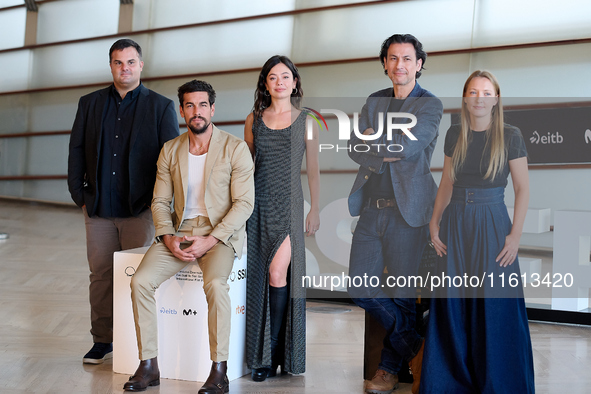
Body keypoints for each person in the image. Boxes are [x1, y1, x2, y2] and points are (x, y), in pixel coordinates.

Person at [123, 80, 254, 393]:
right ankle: (149, 364)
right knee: (140, 281)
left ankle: (219, 369)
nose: (197, 111)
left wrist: (211, 239)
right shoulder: (171, 149)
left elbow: (244, 203)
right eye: (190, 105)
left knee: (215, 284)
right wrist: (167, 236)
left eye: (203, 105)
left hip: (221, 234)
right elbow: (159, 201)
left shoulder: (235, 148)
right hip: (179, 233)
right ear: (181, 110)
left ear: (212, 109)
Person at [420, 70, 535, 393]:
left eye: (486, 92)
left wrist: (515, 236)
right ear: (465, 98)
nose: (479, 98)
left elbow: (523, 189)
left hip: (492, 222)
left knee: (494, 304)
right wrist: (434, 220)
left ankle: (499, 382)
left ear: (496, 98)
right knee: (453, 302)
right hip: (455, 222)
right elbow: (446, 182)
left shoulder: (510, 135)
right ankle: (450, 382)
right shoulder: (454, 134)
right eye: (473, 92)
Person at [67, 38, 179, 364]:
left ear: (141, 65)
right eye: (118, 62)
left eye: (130, 62)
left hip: (140, 210)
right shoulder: (89, 103)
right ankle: (102, 340)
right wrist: (79, 195)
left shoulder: (160, 107)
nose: (124, 68)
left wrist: (159, 204)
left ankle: (137, 344)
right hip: (98, 208)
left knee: (139, 277)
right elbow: (76, 150)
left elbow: (169, 161)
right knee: (101, 276)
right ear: (111, 66)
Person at [346, 34, 443, 394]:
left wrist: (375, 139)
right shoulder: (375, 101)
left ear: (418, 64)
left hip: (410, 213)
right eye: (392, 58)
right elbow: (354, 147)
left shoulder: (430, 106)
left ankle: (387, 370)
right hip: (371, 209)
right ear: (385, 63)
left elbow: (407, 146)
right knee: (359, 286)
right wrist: (376, 142)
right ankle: (413, 344)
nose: (399, 64)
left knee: (403, 294)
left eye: (407, 58)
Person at [243, 55, 320, 382]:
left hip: (289, 206)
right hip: (257, 205)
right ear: (265, 83)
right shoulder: (253, 120)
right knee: (260, 278)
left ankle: (274, 354)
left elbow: (313, 171)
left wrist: (315, 207)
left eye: (285, 76)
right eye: (272, 77)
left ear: (294, 82)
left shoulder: (307, 120)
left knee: (278, 272)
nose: (279, 82)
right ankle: (261, 357)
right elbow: (244, 170)